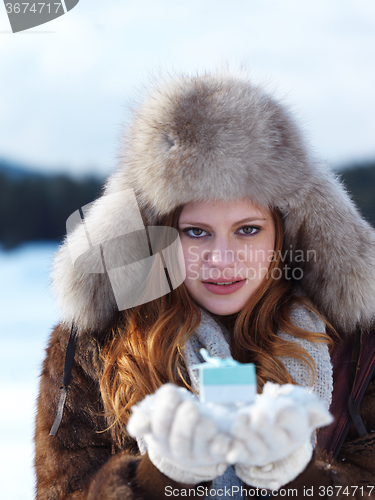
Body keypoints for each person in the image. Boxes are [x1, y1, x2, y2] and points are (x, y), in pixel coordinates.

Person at [34, 71, 375, 499]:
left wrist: (300, 479)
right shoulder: (96, 346)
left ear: (283, 234)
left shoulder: (354, 345)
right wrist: (158, 479)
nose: (223, 259)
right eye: (196, 232)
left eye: (248, 230)